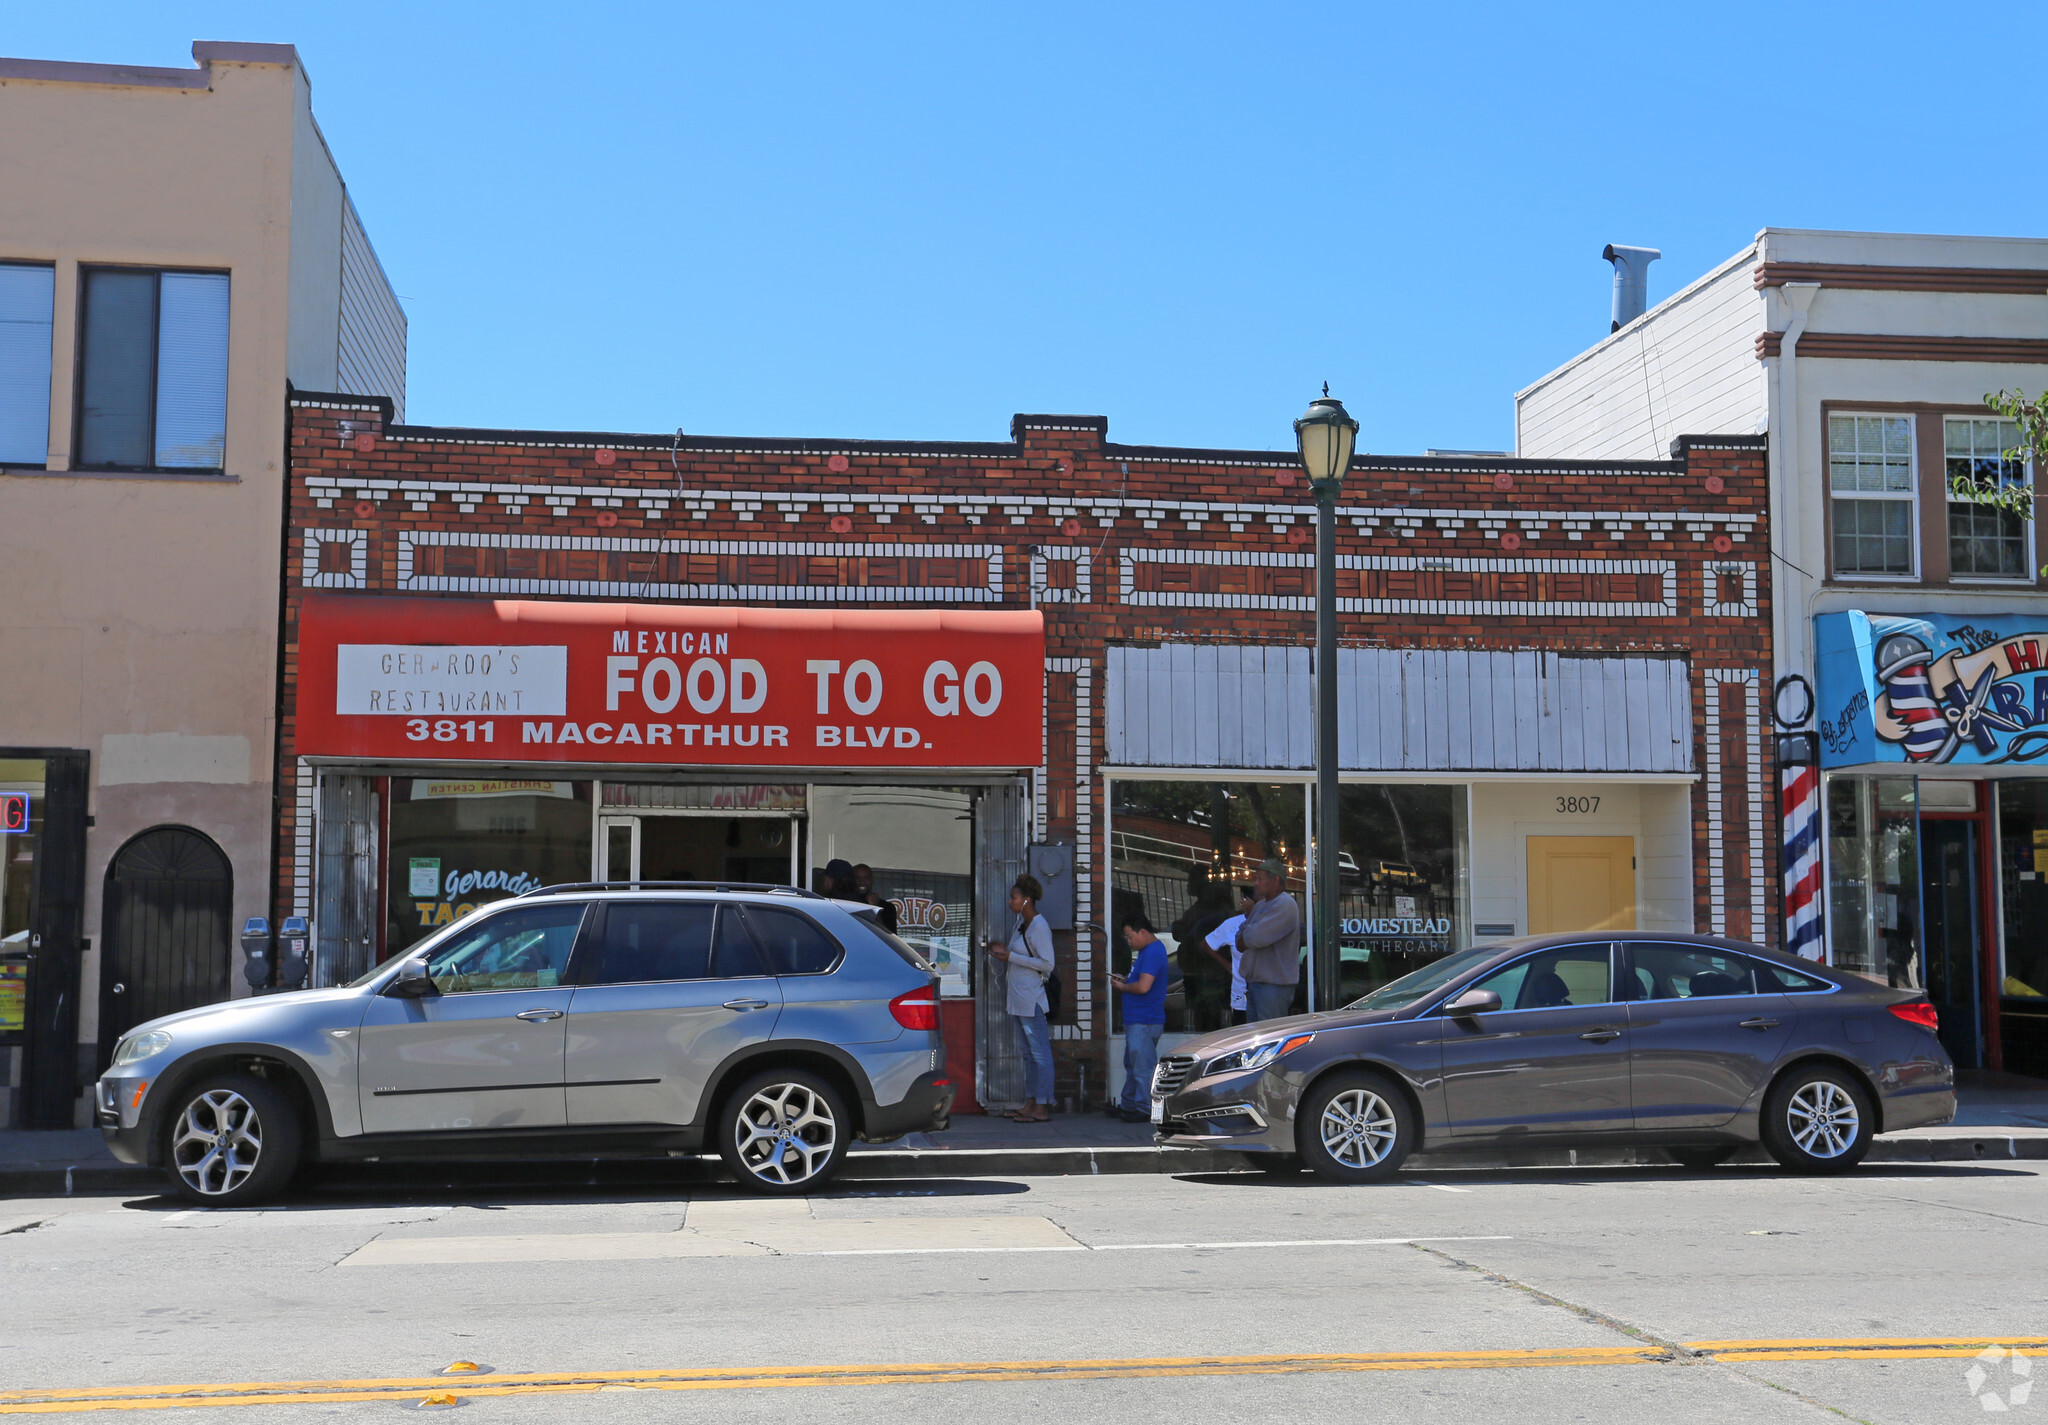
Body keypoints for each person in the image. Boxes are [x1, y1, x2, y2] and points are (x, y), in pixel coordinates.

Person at [986, 873, 1056, 1123]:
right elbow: (1018, 953)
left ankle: (1043, 1107)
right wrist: (1000, 950)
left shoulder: (1039, 926)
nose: (1010, 902)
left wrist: (1011, 957)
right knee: (1027, 1055)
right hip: (1018, 999)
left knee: (1040, 1055)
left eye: (1013, 898)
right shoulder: (1020, 924)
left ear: (1026, 900)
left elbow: (1048, 964)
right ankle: (1030, 1103)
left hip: (1032, 1000)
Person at [1107, 912, 1170, 1121]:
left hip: (1144, 1019)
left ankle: (1144, 1108)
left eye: (1129, 936)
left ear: (1142, 932)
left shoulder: (1152, 952)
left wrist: (1123, 986)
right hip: (1139, 1019)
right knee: (1134, 1064)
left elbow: (1143, 987)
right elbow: (1143, 981)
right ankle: (1130, 1104)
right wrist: (1126, 980)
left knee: (1142, 1067)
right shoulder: (1148, 951)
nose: (1128, 941)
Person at [1237, 858, 1302, 1022]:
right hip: (1255, 984)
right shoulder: (1259, 906)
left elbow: (1254, 938)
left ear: (1275, 880)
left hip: (1274, 986)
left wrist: (1249, 929)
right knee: (1255, 1039)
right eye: (1255, 879)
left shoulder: (1285, 904)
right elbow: (1239, 940)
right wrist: (1249, 930)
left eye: (1260, 879)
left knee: (1268, 1039)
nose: (1256, 883)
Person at [1198, 885, 1256, 1026]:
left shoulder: (1269, 922)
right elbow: (1205, 944)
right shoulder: (1232, 924)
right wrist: (1228, 966)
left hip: (1265, 993)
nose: (1241, 902)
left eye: (1245, 898)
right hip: (1241, 995)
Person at [851, 862, 899, 933]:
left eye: (865, 878)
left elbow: (888, 936)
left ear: (872, 880)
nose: (861, 881)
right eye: (857, 878)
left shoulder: (887, 907)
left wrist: (874, 908)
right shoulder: (846, 904)